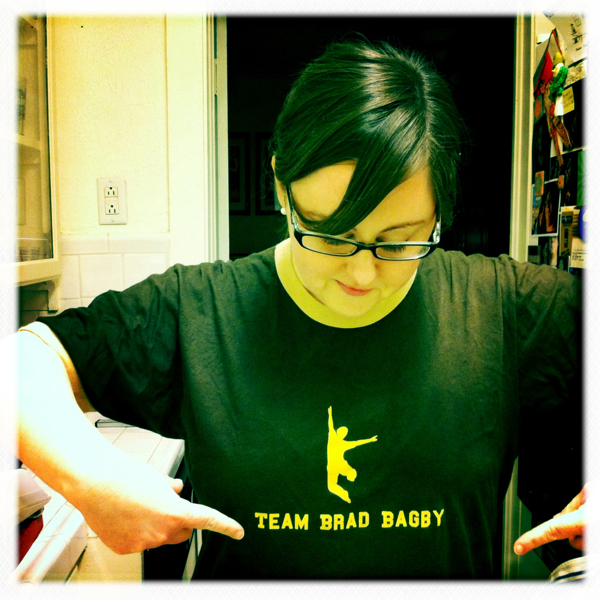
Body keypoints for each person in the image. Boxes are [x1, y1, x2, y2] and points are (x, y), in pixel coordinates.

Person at [4, 39, 584, 579]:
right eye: (329, 234)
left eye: (400, 240)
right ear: (282, 185)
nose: (362, 273)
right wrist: (91, 478)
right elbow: (23, 362)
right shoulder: (199, 310)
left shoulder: (507, 309)